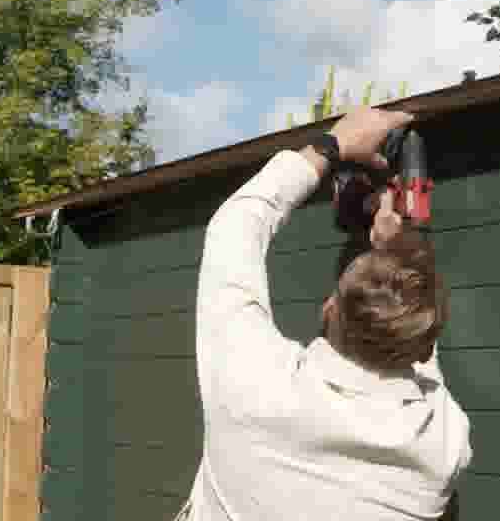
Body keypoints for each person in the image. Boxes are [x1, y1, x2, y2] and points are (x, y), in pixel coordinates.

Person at [177, 107, 471, 520]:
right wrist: (400, 254)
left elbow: (235, 226)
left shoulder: (255, 388)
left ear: (328, 309)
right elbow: (418, 349)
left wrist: (334, 144)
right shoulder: (443, 442)